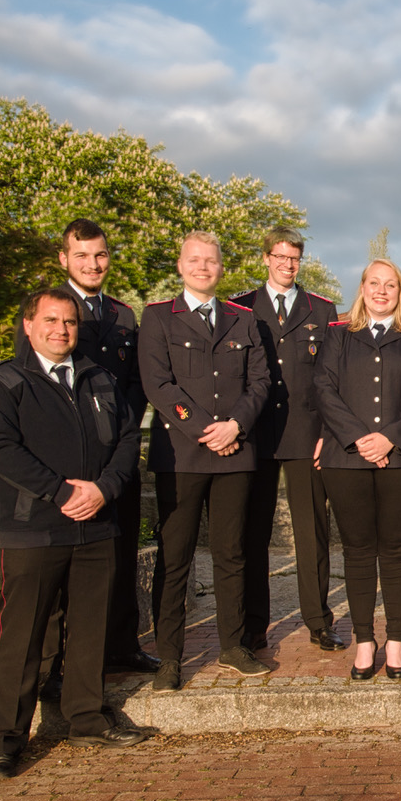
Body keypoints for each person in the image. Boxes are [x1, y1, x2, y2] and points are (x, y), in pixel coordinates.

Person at [0, 289, 147, 781]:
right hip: (32, 530)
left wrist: (104, 489)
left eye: (69, 322)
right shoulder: (2, 382)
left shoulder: (101, 380)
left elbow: (128, 440)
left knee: (91, 628)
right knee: (23, 637)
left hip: (96, 524)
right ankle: (3, 741)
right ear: (29, 325)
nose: (61, 330)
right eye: (50, 320)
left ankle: (86, 718)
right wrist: (59, 492)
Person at [15, 220, 157, 704]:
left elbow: (137, 383)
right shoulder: (49, 311)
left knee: (117, 557)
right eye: (82, 256)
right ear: (64, 259)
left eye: (99, 256)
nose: (92, 265)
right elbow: (30, 387)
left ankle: (120, 646)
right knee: (60, 575)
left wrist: (120, 430)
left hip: (115, 460)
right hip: (64, 470)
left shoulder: (121, 315)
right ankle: (55, 669)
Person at [139, 231, 271, 692]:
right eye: (194, 261)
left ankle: (233, 646)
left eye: (210, 261)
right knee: (175, 559)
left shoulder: (243, 319)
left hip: (236, 453)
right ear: (180, 265)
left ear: (221, 267)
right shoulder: (158, 318)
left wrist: (235, 425)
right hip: (181, 456)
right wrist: (204, 429)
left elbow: (260, 382)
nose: (202, 267)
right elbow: (159, 384)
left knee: (231, 554)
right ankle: (170, 657)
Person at [314, 259, 401, 680]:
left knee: (398, 551)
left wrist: (390, 438)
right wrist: (360, 439)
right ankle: (365, 640)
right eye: (374, 283)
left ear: (399, 292)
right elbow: (324, 390)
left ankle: (397, 641)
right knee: (359, 551)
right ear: (362, 287)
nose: (381, 291)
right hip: (346, 459)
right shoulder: (337, 335)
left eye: (390, 285)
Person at [230, 228, 342, 653]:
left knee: (312, 531)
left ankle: (318, 621)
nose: (287, 264)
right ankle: (254, 624)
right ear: (266, 259)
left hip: (306, 433)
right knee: (254, 532)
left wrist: (328, 433)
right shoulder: (240, 307)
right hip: (255, 433)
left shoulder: (322, 309)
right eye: (280, 257)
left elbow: (332, 377)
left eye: (294, 258)